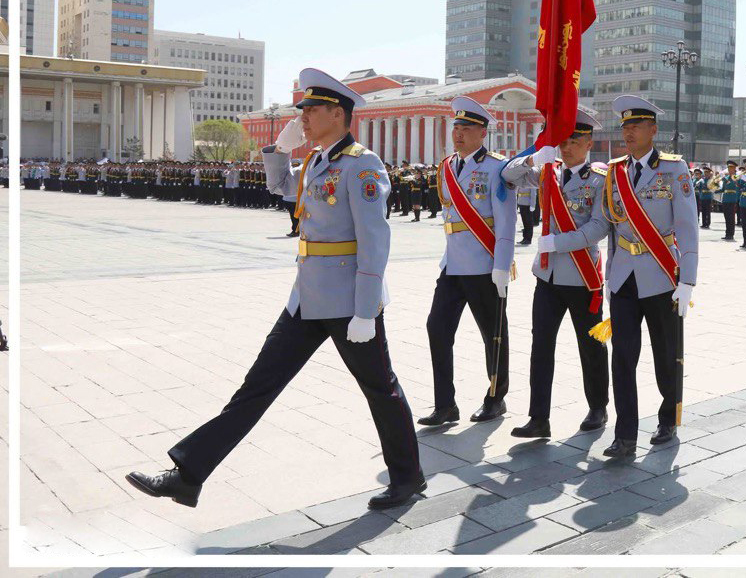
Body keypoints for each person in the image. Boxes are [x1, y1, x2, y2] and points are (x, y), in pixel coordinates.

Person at [126, 69, 423, 511]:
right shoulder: (318, 162)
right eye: (302, 110)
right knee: (257, 387)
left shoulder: (362, 164)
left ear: (337, 114)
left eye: (311, 110)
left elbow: (375, 241)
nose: (303, 118)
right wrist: (279, 150)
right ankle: (187, 476)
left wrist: (366, 310)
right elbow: (281, 186)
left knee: (381, 389)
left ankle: (407, 477)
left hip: (348, 302)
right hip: (306, 299)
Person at [597, 95, 698, 458]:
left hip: (661, 275)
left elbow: (687, 227)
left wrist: (687, 280)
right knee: (622, 357)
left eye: (636, 126)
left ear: (653, 130)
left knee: (665, 354)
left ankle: (668, 418)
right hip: (624, 277)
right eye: (625, 126)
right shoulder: (615, 172)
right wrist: (609, 276)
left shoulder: (674, 169)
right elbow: (612, 230)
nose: (628, 133)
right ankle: (624, 434)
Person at [502, 109, 609, 438]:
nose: (567, 147)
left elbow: (599, 227)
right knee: (541, 346)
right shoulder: (549, 171)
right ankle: (539, 418)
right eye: (563, 141)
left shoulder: (600, 179)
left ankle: (598, 406)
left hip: (582, 275)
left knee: (591, 345)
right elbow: (508, 175)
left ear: (588, 143)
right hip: (547, 277)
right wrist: (534, 158)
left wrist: (558, 242)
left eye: (574, 141)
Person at [419, 96, 518, 427]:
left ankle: (495, 398)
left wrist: (502, 265)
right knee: (437, 328)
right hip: (452, 265)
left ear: (482, 133)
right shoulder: (447, 166)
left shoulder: (497, 168)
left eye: (466, 128)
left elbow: (505, 221)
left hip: (484, 264)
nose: (458, 134)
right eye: (456, 128)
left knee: (493, 334)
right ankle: (445, 404)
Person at [719, 161, 739, 241]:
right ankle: (727, 233)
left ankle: (731, 234)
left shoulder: (736, 177)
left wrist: (726, 179)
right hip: (725, 199)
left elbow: (735, 186)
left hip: (732, 199)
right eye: (729, 168)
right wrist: (714, 189)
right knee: (726, 217)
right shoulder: (726, 178)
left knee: (731, 217)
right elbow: (723, 189)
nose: (730, 169)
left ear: (734, 169)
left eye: (732, 168)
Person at [516, 180, 538, 245]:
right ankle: (524, 238)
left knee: (528, 223)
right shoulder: (521, 180)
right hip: (521, 203)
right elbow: (517, 191)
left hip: (528, 204)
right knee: (524, 222)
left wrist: (532, 205)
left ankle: (528, 239)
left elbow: (533, 194)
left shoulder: (531, 181)